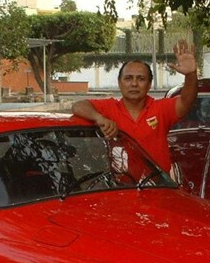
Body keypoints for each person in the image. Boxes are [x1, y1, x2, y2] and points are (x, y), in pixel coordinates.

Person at [71, 39, 198, 174]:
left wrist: (191, 75)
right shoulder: (109, 108)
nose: (134, 84)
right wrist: (99, 118)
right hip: (119, 188)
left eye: (141, 79)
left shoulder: (160, 109)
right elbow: (78, 106)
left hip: (157, 187)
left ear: (149, 85)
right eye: (128, 78)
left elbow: (186, 101)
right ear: (119, 83)